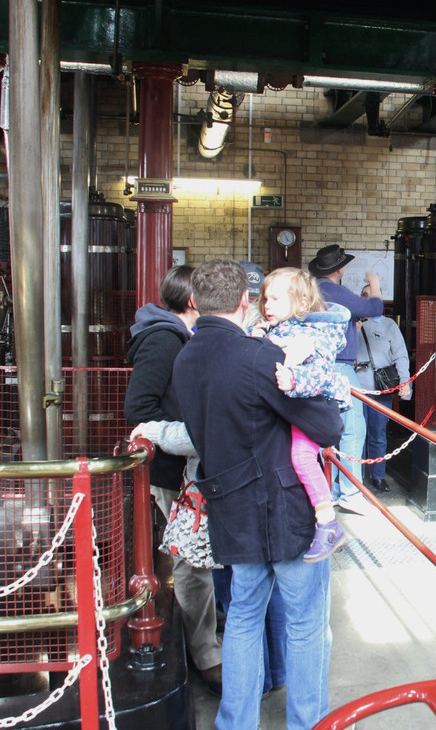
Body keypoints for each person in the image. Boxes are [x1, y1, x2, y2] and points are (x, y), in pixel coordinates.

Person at [172, 259, 344, 730]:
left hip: (229, 507)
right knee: (306, 624)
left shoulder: (185, 359)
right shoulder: (257, 357)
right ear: (245, 301)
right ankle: (307, 723)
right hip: (285, 510)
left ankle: (236, 722)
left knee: (243, 618)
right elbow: (327, 427)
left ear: (195, 303)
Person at [123, 265, 222, 694]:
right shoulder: (164, 339)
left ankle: (207, 633)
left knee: (195, 557)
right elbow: (139, 407)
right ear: (194, 300)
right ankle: (206, 654)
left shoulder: (178, 336)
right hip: (171, 469)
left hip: (183, 466)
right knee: (191, 561)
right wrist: (184, 435)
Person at [252, 267, 352, 561]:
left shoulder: (313, 333)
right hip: (300, 407)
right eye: (265, 299)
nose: (267, 306)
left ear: (301, 304)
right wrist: (254, 334)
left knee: (302, 457)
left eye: (275, 299)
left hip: (312, 406)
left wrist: (294, 381)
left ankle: (328, 523)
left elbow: (320, 373)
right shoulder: (282, 327)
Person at [308, 244, 384, 511]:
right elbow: (375, 308)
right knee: (352, 429)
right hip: (340, 368)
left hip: (312, 368)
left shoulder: (310, 290)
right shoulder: (333, 290)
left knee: (319, 432)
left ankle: (326, 490)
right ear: (340, 268)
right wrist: (374, 282)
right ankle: (351, 494)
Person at [355, 283, 411, 493]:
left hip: (381, 388)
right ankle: (356, 477)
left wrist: (405, 382)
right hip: (356, 389)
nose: (369, 299)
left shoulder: (388, 325)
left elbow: (400, 355)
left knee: (378, 434)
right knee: (356, 434)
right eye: (365, 295)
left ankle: (378, 476)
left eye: (373, 296)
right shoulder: (352, 323)